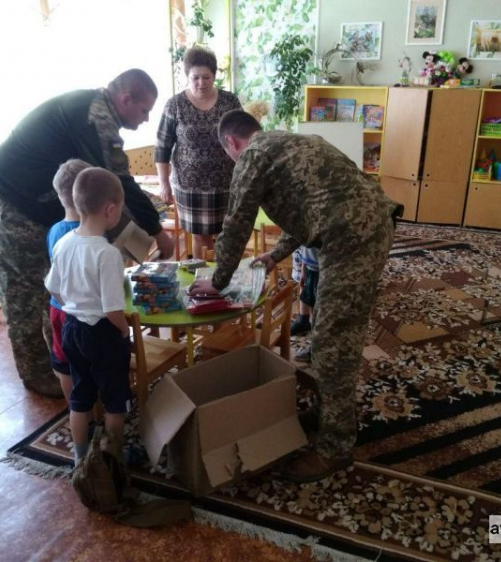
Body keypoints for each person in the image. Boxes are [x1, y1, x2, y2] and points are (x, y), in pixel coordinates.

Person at [190, 110, 401, 483]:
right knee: (325, 329)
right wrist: (274, 254)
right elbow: (309, 208)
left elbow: (237, 222)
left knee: (335, 341)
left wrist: (218, 281)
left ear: (231, 142)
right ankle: (327, 413)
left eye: (229, 155)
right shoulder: (288, 142)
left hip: (352, 239)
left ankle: (335, 447)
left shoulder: (251, 156)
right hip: (361, 227)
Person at [0, 69, 172, 397]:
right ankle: (38, 375)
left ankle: (62, 363)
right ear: (125, 98)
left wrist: (142, 239)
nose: (146, 119)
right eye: (144, 110)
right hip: (10, 201)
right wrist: (157, 232)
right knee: (25, 293)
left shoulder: (98, 109)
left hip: (38, 203)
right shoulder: (96, 115)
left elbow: (112, 194)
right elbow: (119, 184)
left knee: (52, 290)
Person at [44, 167, 131, 464]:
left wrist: (74, 303)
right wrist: (124, 331)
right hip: (102, 333)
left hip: (71, 329)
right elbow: (113, 310)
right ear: (111, 209)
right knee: (114, 401)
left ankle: (81, 461)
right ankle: (112, 461)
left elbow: (53, 289)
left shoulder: (62, 243)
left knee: (80, 399)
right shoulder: (107, 254)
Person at [155, 46, 242, 257]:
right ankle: (204, 282)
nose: (201, 83)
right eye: (195, 77)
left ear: (214, 76)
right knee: (199, 237)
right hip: (189, 185)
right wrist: (164, 182)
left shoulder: (230, 102)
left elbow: (242, 139)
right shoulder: (175, 105)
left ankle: (224, 278)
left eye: (206, 77)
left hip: (225, 183)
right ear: (187, 76)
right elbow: (162, 146)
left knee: (228, 234)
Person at [47, 159, 91, 399]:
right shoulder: (89, 234)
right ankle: (97, 406)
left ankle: (72, 406)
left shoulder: (54, 230)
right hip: (82, 311)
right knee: (90, 359)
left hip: (57, 308)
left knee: (63, 362)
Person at [290, 246, 320, 363]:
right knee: (312, 303)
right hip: (310, 267)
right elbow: (307, 248)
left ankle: (317, 348)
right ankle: (315, 343)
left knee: (320, 310)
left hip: (325, 269)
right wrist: (303, 269)